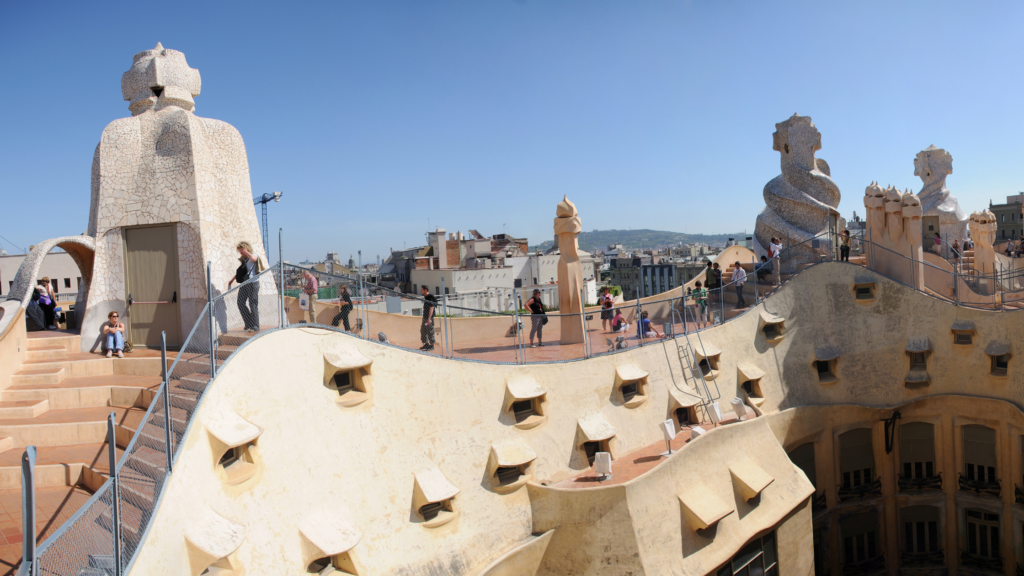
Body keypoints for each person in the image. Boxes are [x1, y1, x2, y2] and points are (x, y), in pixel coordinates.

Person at [228, 241, 263, 332]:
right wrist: (232, 280)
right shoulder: (244, 260)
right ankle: (249, 323)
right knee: (240, 303)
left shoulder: (252, 256)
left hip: (252, 283)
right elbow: (242, 271)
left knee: (253, 304)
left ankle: (255, 325)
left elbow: (254, 259)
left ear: (246, 249)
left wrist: (246, 252)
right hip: (244, 284)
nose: (241, 253)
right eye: (240, 251)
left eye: (241, 251)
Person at [420, 285, 437, 351]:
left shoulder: (430, 297)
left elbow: (432, 308)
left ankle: (432, 345)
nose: (421, 291)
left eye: (422, 290)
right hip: (425, 317)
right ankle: (426, 344)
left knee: (430, 331)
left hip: (429, 318)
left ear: (425, 290)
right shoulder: (426, 297)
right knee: (423, 330)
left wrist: (429, 319)